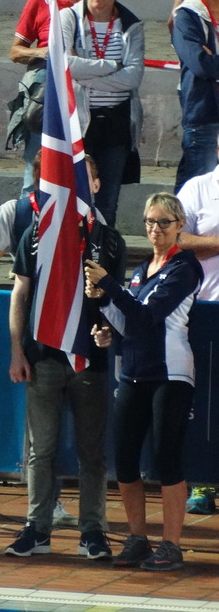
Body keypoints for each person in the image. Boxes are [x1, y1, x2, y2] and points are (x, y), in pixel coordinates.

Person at [5, 158, 125, 561]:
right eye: (67, 179)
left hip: (90, 360)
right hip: (43, 357)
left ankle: (92, 530)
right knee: (40, 450)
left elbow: (118, 301)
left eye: (83, 180)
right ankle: (37, 528)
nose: (74, 188)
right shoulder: (37, 233)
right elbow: (20, 292)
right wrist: (17, 350)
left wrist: (108, 329)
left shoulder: (109, 239)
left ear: (96, 184)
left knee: (92, 451)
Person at [86, 193, 203, 571]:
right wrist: (105, 314)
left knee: (166, 459)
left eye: (164, 223)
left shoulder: (184, 267)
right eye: (150, 222)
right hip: (133, 373)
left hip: (170, 373)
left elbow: (148, 317)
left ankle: (171, 544)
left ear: (179, 225)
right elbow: (128, 322)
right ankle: (137, 538)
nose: (155, 229)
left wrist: (109, 285)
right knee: (124, 460)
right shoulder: (141, 269)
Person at [60, 0, 144, 227]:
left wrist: (86, 77)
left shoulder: (131, 25)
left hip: (116, 121)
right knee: (72, 194)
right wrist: (110, 66)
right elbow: (64, 65)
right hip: (79, 120)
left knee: (108, 200)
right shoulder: (68, 18)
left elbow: (132, 77)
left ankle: (103, 249)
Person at [8, 0, 94, 194]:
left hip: (86, 89)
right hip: (48, 93)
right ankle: (32, 215)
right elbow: (15, 51)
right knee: (38, 167)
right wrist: (45, 52)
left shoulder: (94, 1)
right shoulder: (42, 0)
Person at [176, 143, 219, 514]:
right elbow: (177, 239)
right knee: (205, 404)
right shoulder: (198, 188)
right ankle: (203, 482)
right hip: (205, 311)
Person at [171, 0, 219, 193]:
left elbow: (210, 63)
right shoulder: (187, 15)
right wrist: (209, 61)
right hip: (204, 115)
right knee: (197, 190)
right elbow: (200, 64)